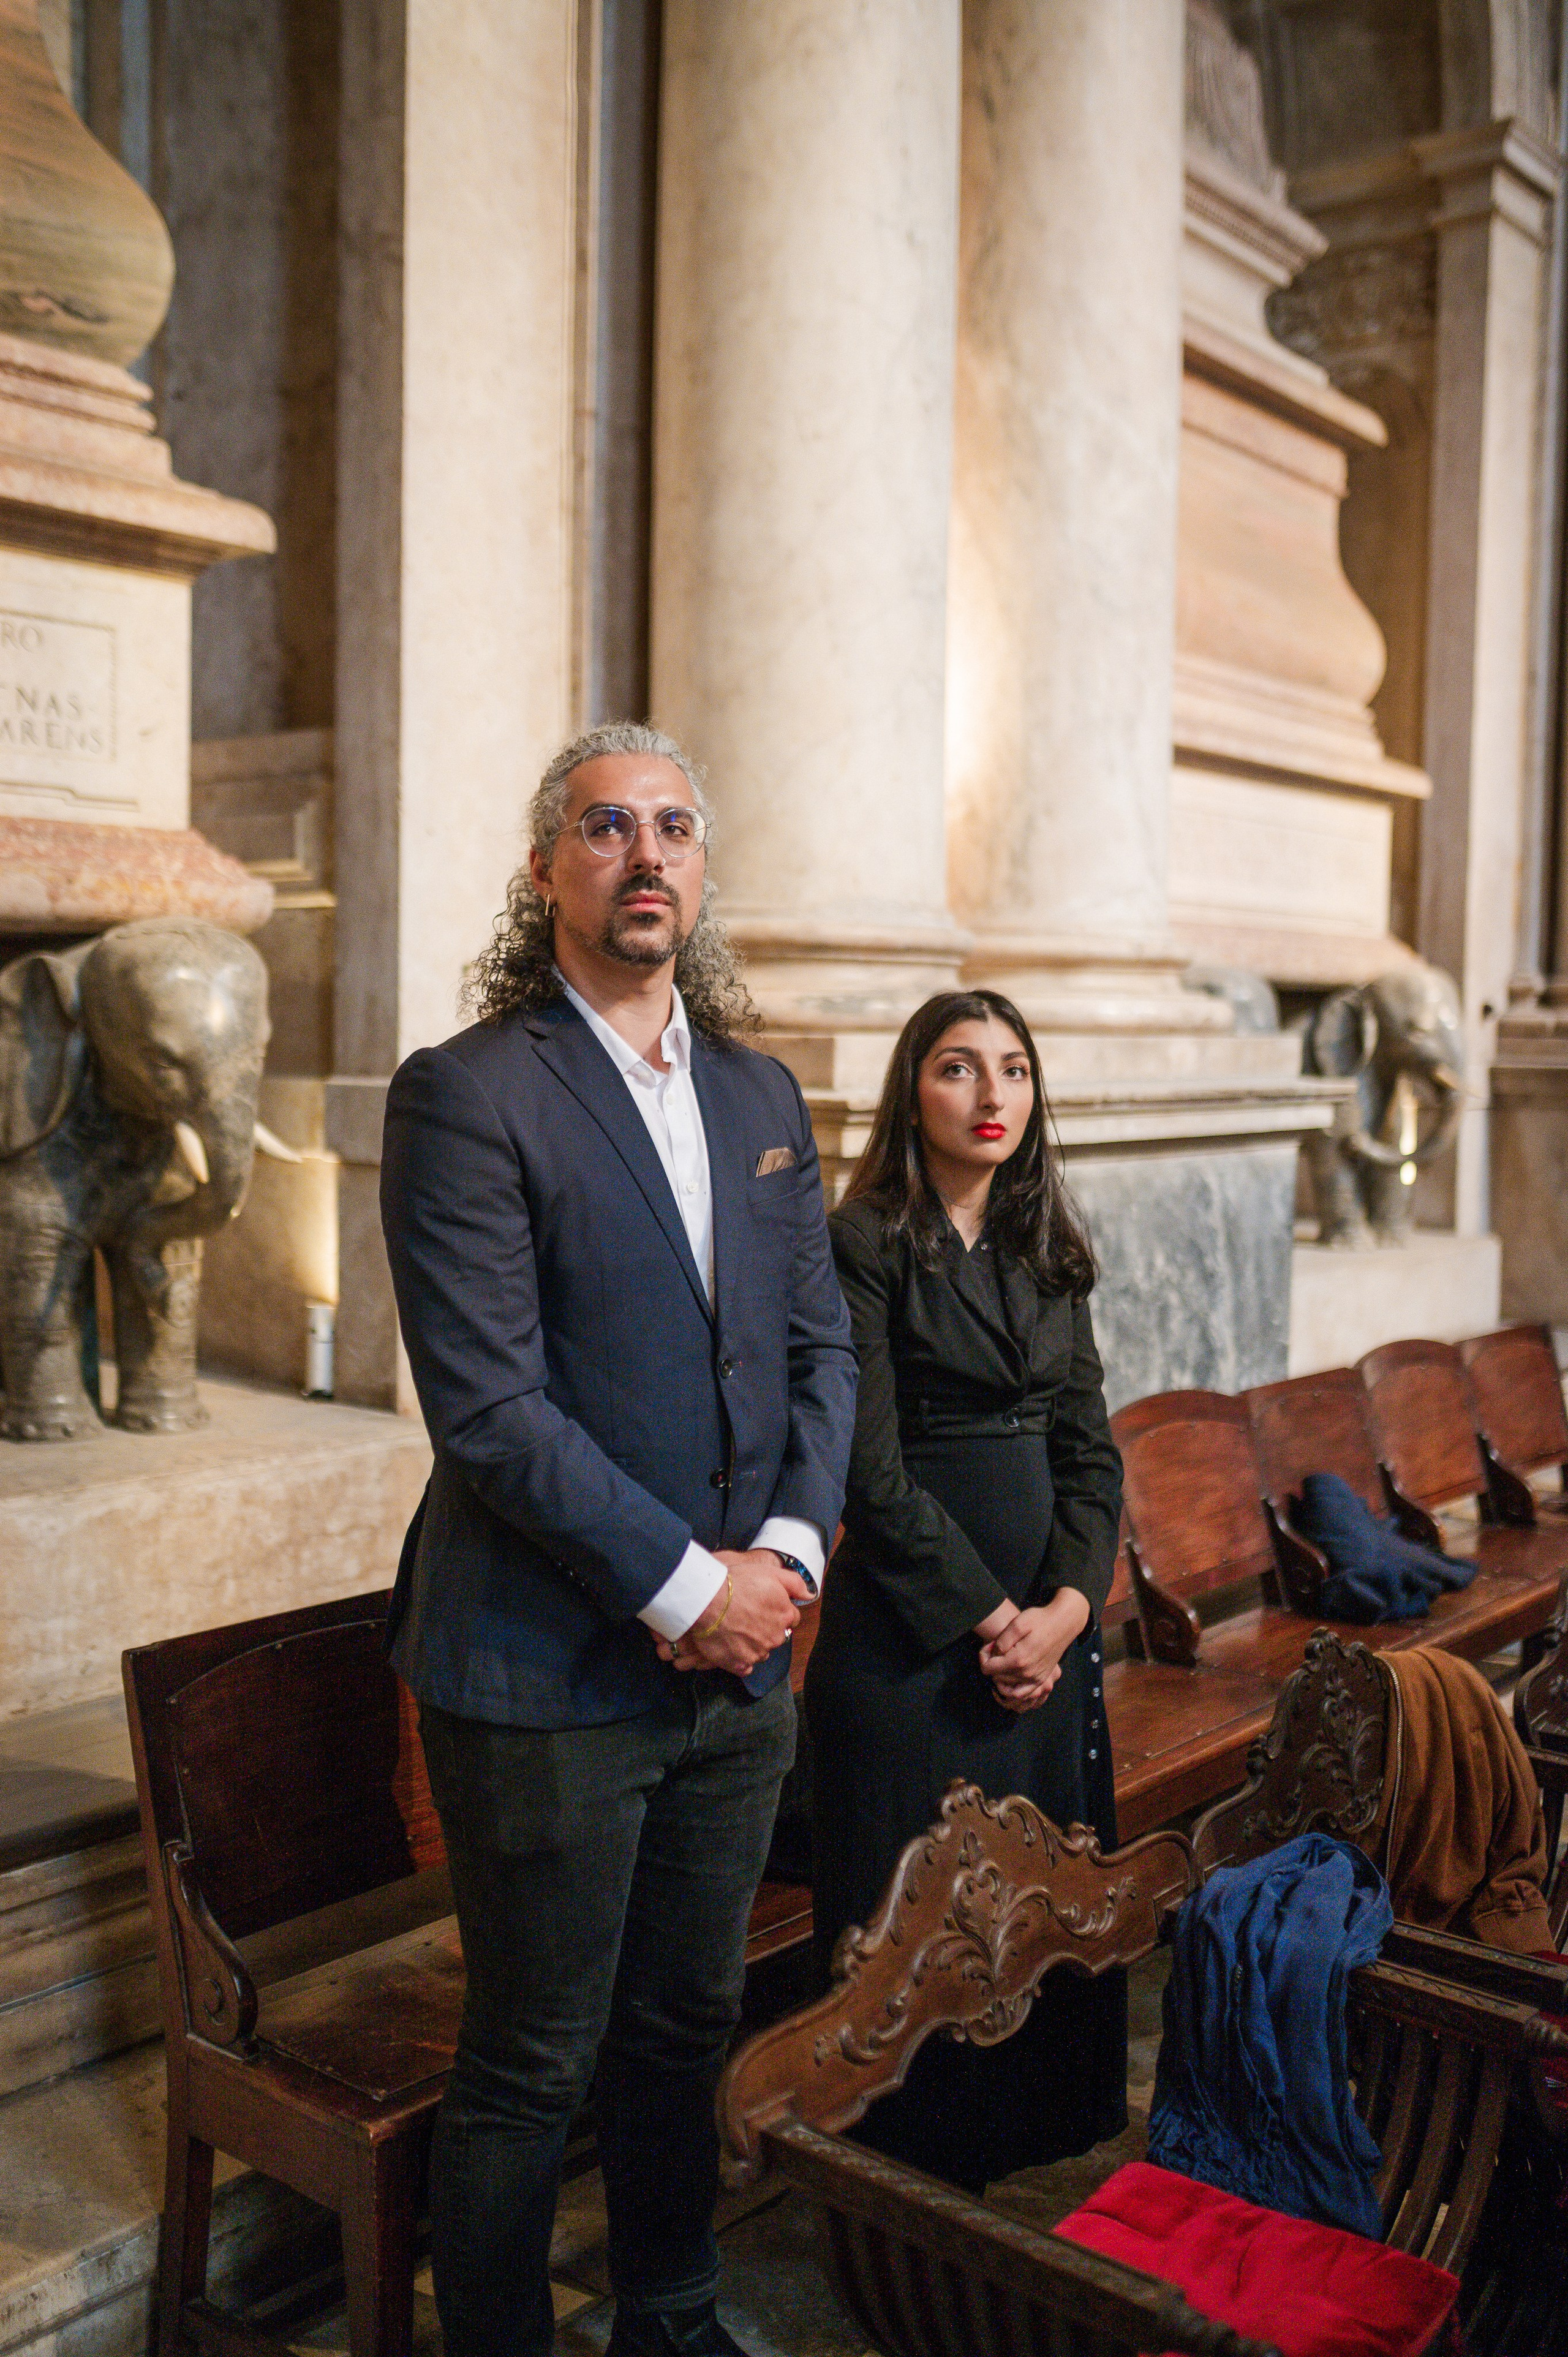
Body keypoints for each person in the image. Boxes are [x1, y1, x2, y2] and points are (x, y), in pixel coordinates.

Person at [379, 721, 856, 2357]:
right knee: (533, 2057)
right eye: (604, 827)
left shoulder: (758, 1091)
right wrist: (686, 1588)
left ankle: (670, 2312)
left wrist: (784, 1560)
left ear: (701, 870)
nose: (643, 854)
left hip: (738, 1675)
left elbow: (819, 1354)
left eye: (671, 827)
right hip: (544, 1668)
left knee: (684, 2023)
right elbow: (491, 1409)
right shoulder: (469, 1092)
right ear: (547, 872)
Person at [804, 987, 1126, 2192]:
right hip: (911, 1642)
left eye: (1012, 1069)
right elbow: (866, 1469)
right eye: (957, 1068)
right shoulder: (863, 1242)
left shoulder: (1049, 1247)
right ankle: (899, 2195)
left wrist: (1066, 1609)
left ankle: (1034, 2168)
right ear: (910, 1091)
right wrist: (991, 1617)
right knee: (910, 1930)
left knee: (1036, 1907)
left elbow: (1088, 1451)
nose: (991, 1095)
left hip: (1045, 1644)